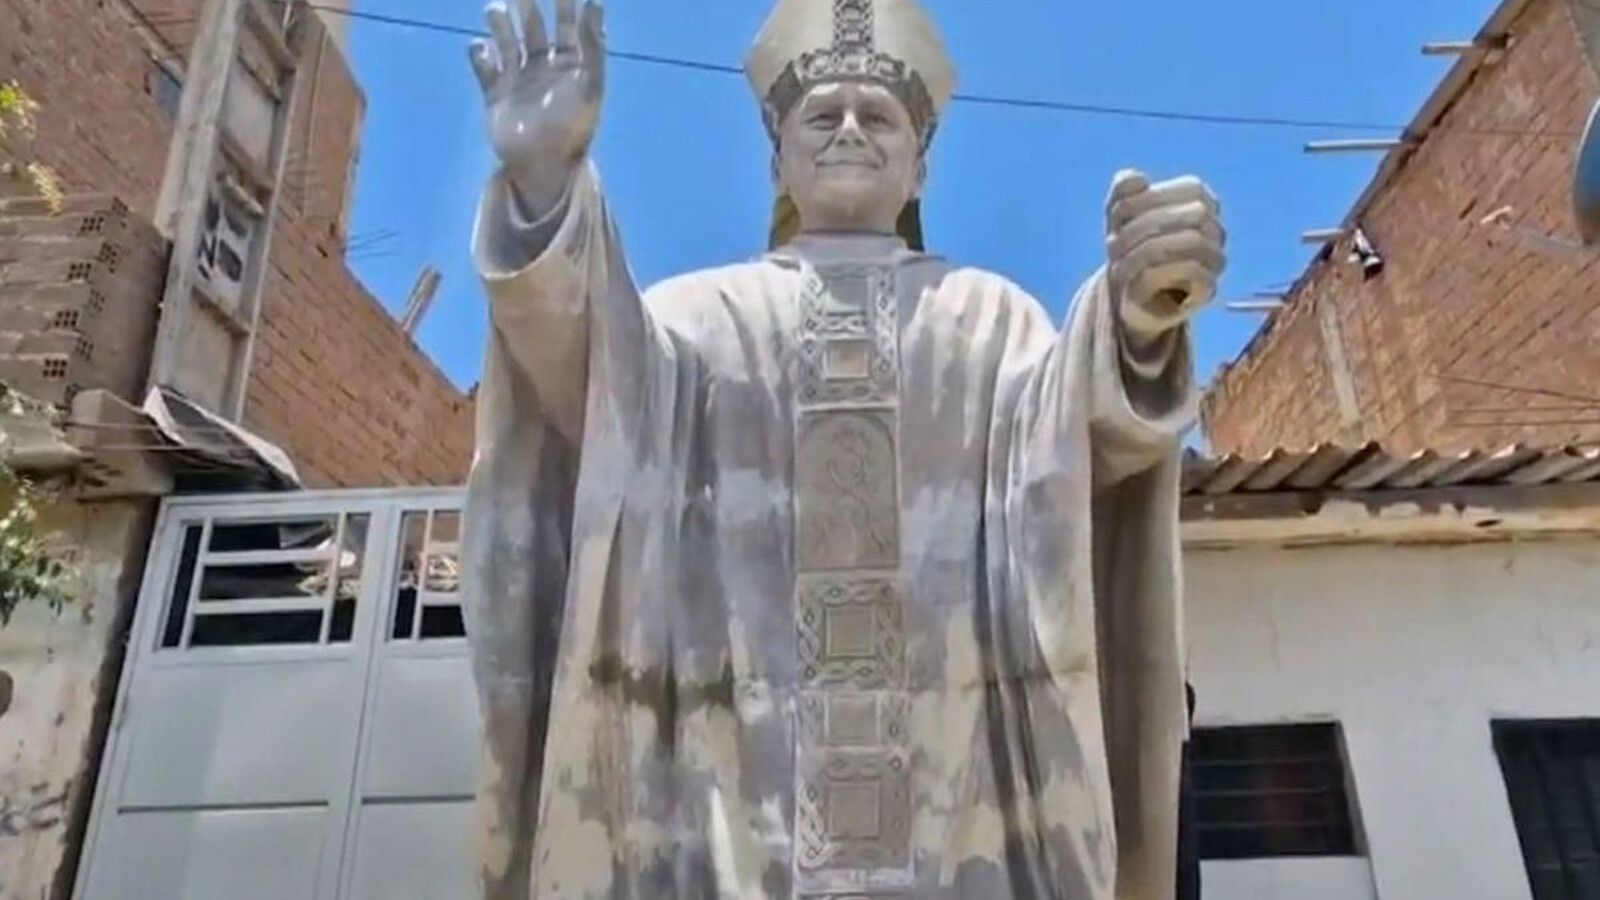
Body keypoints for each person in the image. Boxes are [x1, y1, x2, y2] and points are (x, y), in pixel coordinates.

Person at [461, 1, 1225, 897]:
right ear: (776, 153)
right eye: (823, 114)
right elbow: (586, 380)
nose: (852, 130)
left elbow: (1073, 449)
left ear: (922, 162)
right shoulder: (694, 318)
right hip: (732, 799)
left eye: (881, 115)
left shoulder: (986, 318)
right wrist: (546, 186)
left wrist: (1135, 316)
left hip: (956, 795)